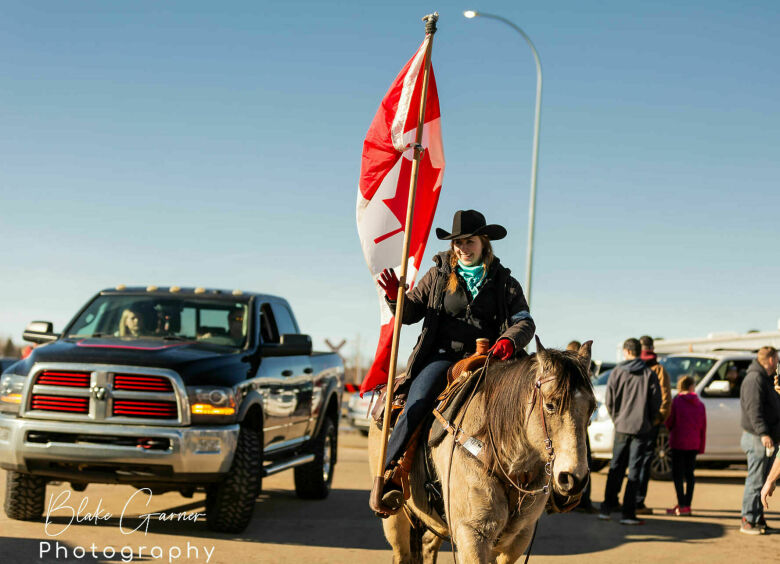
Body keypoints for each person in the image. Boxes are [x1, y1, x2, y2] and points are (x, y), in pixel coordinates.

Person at [369, 209, 535, 515]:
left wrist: (508, 341)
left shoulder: (505, 281)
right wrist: (396, 298)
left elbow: (524, 322)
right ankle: (391, 472)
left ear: (484, 243)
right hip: (441, 358)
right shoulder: (437, 275)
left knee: (532, 409)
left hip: (491, 360)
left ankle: (537, 484)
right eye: (458, 242)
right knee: (415, 403)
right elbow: (410, 315)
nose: (462, 247)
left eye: (469, 241)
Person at [599, 338, 661, 526]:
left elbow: (609, 400)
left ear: (626, 351)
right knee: (635, 470)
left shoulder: (617, 372)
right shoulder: (649, 374)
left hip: (621, 427)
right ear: (639, 352)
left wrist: (617, 419)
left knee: (616, 467)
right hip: (641, 429)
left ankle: (607, 508)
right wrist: (648, 422)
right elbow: (656, 402)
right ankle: (628, 514)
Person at [739, 346, 780, 535]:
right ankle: (748, 520)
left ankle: (758, 518)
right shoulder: (755, 379)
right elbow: (753, 410)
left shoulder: (764, 378)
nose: (778, 361)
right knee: (756, 480)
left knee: (763, 480)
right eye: (777, 358)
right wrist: (763, 433)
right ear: (771, 359)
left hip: (764, 437)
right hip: (757, 438)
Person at [635, 335, 672, 514]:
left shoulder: (633, 367)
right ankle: (638, 502)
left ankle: (617, 502)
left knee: (631, 463)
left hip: (631, 424)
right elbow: (666, 399)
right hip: (648, 424)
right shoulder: (658, 369)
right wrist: (657, 419)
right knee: (642, 464)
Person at [665, 375, 706, 516]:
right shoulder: (700, 404)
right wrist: (701, 446)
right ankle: (687, 505)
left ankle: (681, 503)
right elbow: (703, 427)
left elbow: (669, 421)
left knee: (677, 475)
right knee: (690, 474)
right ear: (691, 387)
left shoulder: (676, 402)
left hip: (678, 442)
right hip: (694, 444)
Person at [568, 340, 598, 514]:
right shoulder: (578, 373)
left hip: (569, 424)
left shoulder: (566, 371)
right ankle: (583, 501)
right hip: (579, 425)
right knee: (584, 460)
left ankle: (571, 500)